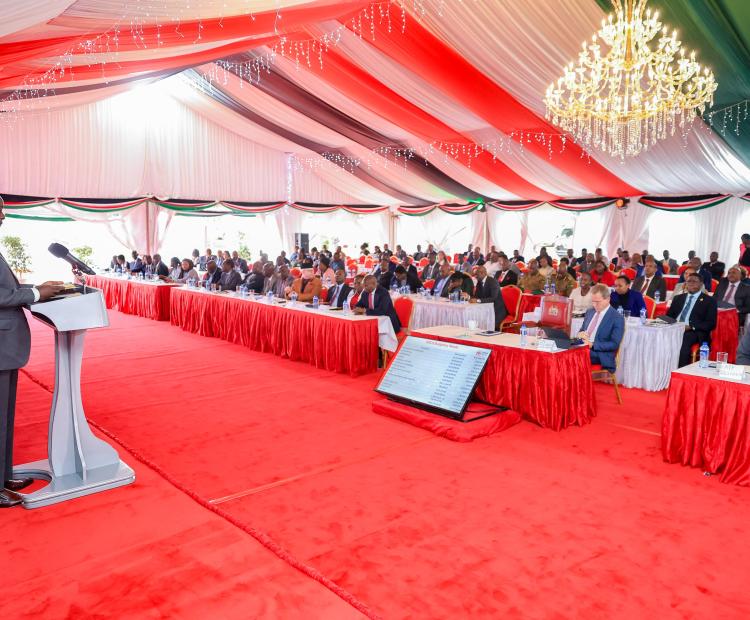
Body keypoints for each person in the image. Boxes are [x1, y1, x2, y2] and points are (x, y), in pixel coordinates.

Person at [0, 203, 66, 507]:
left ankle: (3, 476)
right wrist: (38, 295)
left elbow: (7, 287)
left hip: (7, 348)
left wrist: (37, 287)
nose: (3, 216)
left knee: (5, 417)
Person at [667, 273, 718, 367]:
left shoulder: (709, 301)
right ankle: (662, 368)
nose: (691, 283)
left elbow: (711, 324)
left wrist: (691, 326)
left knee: (683, 340)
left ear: (701, 284)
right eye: (689, 281)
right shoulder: (678, 298)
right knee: (658, 337)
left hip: (694, 331)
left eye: (694, 281)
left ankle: (680, 370)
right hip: (674, 328)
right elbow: (669, 316)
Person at [577, 284, 625, 373]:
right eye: (593, 301)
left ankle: (577, 384)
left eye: (597, 302)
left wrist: (592, 345)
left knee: (573, 356)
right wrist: (580, 334)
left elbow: (614, 344)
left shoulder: (617, 318)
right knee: (563, 351)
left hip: (600, 354)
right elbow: (582, 329)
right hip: (584, 348)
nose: (594, 305)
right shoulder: (590, 312)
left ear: (607, 299)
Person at [470, 265, 506, 330]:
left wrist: (478, 300)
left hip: (496, 310)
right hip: (485, 309)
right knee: (474, 319)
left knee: (486, 325)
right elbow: (476, 296)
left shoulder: (493, 282)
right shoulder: (479, 282)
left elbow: (493, 298)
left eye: (477, 274)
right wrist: (469, 298)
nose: (475, 276)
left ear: (482, 273)